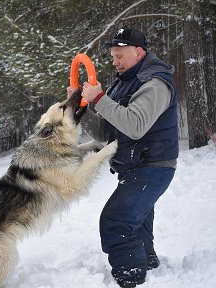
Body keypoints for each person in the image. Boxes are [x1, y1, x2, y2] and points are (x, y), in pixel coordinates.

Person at [68, 28, 179, 287]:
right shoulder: (124, 83)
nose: (115, 61)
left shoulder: (155, 82)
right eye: (113, 56)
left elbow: (135, 126)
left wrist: (98, 98)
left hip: (153, 166)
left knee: (115, 221)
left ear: (138, 52)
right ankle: (147, 265)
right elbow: (106, 131)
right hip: (135, 166)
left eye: (120, 55)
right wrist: (79, 106)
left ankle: (131, 278)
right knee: (135, 223)